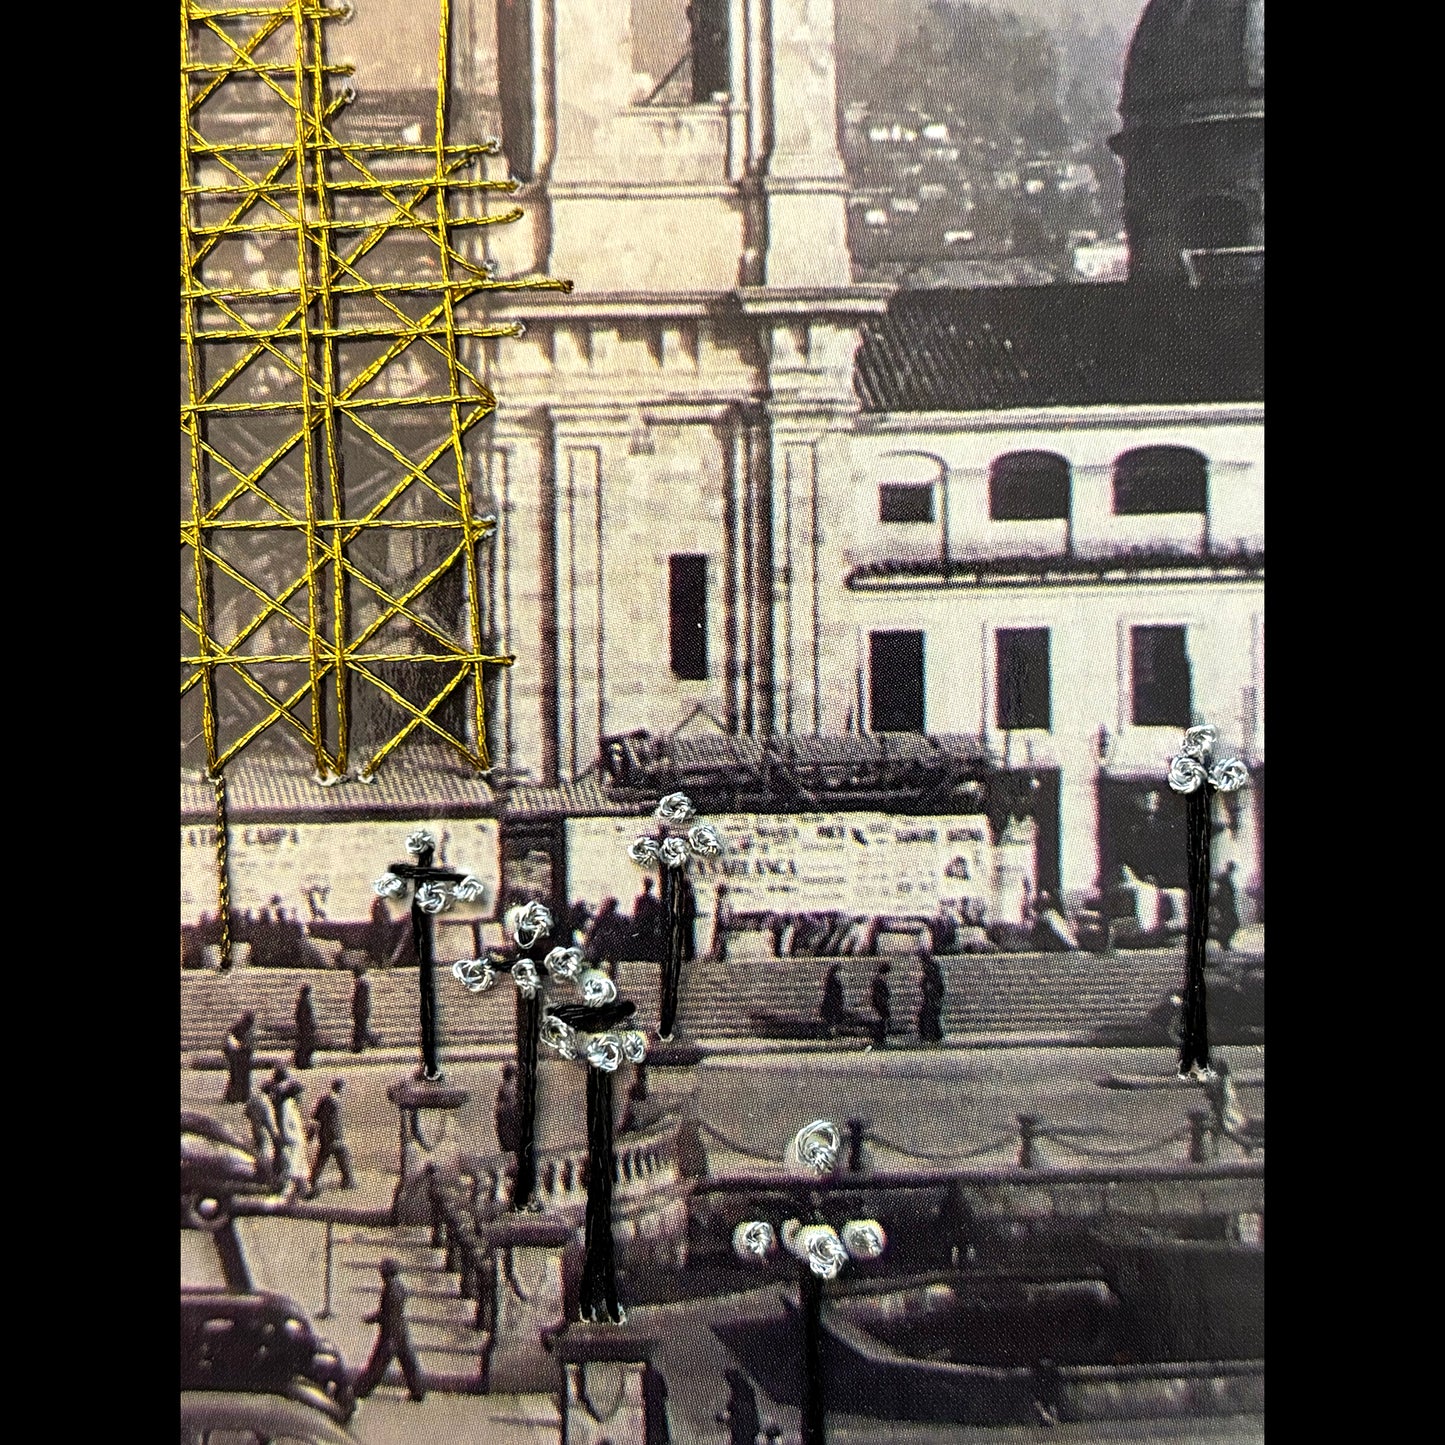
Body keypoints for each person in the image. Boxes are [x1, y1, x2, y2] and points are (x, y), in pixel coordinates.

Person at [353, 1258, 426, 1403]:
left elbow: (386, 1314)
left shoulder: (389, 1289)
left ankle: (361, 1390)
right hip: (401, 1329)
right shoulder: (400, 1286)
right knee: (409, 1362)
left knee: (377, 1364)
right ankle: (419, 1391)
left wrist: (371, 1318)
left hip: (390, 1333)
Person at [265, 1069, 310, 1200]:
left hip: (297, 1141)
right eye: (300, 1095)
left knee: (299, 1168)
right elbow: (285, 1127)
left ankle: (303, 1191)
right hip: (291, 1142)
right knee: (291, 1169)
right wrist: (291, 1139)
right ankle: (286, 1196)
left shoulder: (292, 1105)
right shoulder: (286, 1106)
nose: (302, 1098)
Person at [309, 1080, 356, 1193]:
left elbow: (316, 1117)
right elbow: (335, 1122)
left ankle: (313, 1180)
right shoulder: (335, 1102)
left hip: (324, 1134)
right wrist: (337, 1137)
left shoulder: (324, 1099)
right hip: (333, 1136)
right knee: (340, 1155)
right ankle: (348, 1181)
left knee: (324, 1158)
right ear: (340, 1088)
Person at [243, 1082, 278, 1187]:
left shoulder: (253, 1099)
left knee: (258, 1151)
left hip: (254, 1128)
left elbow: (247, 1112)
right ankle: (268, 1178)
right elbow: (269, 1121)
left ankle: (259, 1173)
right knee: (266, 1152)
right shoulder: (266, 1103)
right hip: (264, 1130)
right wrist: (274, 1134)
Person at [717, 1366, 762, 1445]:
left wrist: (726, 1419)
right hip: (744, 1432)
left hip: (744, 1434)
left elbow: (742, 1419)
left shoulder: (743, 1398)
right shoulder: (742, 1394)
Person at [223, 1012, 257, 1104]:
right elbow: (231, 1042)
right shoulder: (239, 1028)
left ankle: (239, 1096)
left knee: (238, 1077)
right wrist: (240, 1047)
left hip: (242, 1056)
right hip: (238, 1056)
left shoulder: (243, 1028)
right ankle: (236, 1096)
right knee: (237, 1077)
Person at [494, 1062, 522, 1165]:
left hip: (506, 1113)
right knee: (510, 1131)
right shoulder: (513, 1086)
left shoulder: (506, 1086)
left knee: (508, 1131)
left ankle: (509, 1146)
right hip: (509, 1113)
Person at [1211, 861, 1242, 952]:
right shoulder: (1224, 879)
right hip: (1225, 907)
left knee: (1230, 924)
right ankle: (1223, 942)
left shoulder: (1226, 878)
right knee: (1230, 924)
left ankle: (1224, 942)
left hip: (1227, 906)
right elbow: (1221, 894)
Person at [630, 876, 662, 961]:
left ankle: (639, 954)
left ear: (644, 886)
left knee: (640, 938)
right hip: (650, 923)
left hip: (641, 922)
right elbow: (657, 912)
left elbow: (636, 912)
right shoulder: (654, 900)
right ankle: (647, 954)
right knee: (648, 939)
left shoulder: (639, 899)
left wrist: (634, 921)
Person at [917, 952, 945, 1043]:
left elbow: (934, 987)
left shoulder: (931, 972)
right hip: (932, 998)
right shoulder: (932, 973)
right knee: (930, 1017)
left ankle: (931, 1035)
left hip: (932, 998)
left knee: (930, 1017)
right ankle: (934, 1035)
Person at [350, 969, 379, 1054]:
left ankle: (360, 1046)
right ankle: (361, 1044)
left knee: (360, 1029)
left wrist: (357, 1010)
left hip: (361, 1011)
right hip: (361, 1011)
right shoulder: (362, 984)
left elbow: (361, 1000)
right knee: (360, 1029)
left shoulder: (362, 984)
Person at [293, 984, 318, 1070]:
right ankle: (302, 1062)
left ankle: (304, 1062)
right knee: (305, 1046)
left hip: (306, 1028)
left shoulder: (304, 1001)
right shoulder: (304, 1001)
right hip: (306, 1029)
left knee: (306, 1046)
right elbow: (303, 1016)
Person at [819, 963, 846, 1037]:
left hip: (832, 1002)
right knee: (832, 1020)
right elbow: (836, 992)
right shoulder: (833, 980)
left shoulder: (830, 979)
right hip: (833, 1002)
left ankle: (831, 1033)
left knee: (831, 1020)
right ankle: (830, 1033)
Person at [870, 962, 892, 1047]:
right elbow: (879, 995)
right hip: (880, 1004)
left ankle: (880, 1037)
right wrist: (882, 1004)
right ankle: (879, 1038)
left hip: (880, 1004)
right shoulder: (879, 981)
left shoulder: (878, 980)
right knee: (881, 1021)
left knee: (882, 1021)